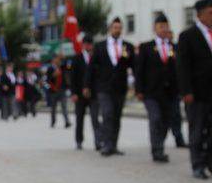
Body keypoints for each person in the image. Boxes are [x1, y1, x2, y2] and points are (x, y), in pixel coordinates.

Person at [177, 0, 212, 179]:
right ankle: (197, 165)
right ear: (200, 14)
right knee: (197, 128)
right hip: (197, 92)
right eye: (211, 12)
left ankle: (209, 157)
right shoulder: (187, 36)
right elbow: (182, 66)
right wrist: (186, 91)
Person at [84, 17, 135, 156]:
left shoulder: (127, 46)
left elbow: (134, 66)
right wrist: (87, 86)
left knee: (117, 117)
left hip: (120, 87)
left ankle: (113, 144)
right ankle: (106, 144)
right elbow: (91, 68)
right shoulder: (100, 46)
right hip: (103, 87)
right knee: (107, 114)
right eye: (115, 27)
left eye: (119, 28)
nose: (117, 30)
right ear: (110, 29)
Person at [136, 13, 178, 163]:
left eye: (166, 26)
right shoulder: (146, 47)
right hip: (151, 92)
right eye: (161, 26)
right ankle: (157, 150)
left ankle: (159, 144)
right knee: (155, 118)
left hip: (170, 92)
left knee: (166, 121)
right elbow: (139, 70)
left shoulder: (174, 47)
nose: (164, 29)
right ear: (155, 28)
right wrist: (139, 90)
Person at [70, 34, 101, 150]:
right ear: (82, 45)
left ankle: (98, 141)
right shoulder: (76, 58)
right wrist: (74, 93)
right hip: (79, 94)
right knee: (79, 119)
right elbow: (73, 78)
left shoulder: (96, 58)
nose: (88, 46)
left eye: (90, 44)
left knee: (95, 118)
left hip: (94, 94)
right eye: (86, 44)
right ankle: (79, 141)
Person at [165, 30, 187, 148]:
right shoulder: (153, 48)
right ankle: (158, 143)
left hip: (174, 89)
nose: (169, 36)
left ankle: (179, 138)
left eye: (170, 34)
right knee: (160, 118)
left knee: (176, 115)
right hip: (159, 90)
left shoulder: (177, 48)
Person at [46, 53, 71, 128]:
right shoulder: (50, 68)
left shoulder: (61, 67)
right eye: (56, 58)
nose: (57, 60)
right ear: (53, 60)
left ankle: (67, 122)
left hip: (62, 90)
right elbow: (47, 80)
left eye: (58, 59)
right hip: (53, 90)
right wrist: (53, 75)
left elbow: (67, 66)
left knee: (64, 106)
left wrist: (64, 58)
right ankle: (53, 121)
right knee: (53, 108)